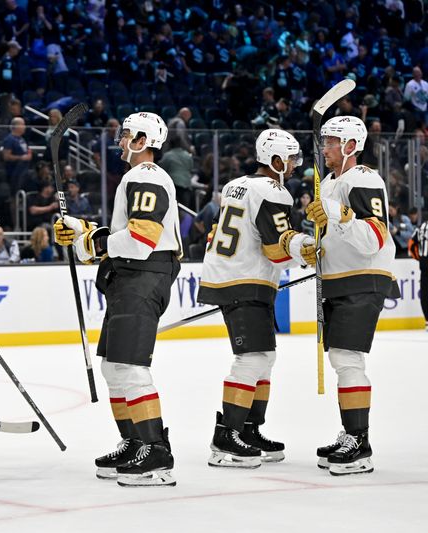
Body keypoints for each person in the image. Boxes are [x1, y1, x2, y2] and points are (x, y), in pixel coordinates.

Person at [54, 112, 182, 487]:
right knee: (114, 366)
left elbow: (141, 240)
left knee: (130, 368)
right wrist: (84, 231)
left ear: (144, 140)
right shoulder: (138, 178)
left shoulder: (145, 175)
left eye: (127, 134)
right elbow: (128, 233)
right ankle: (134, 442)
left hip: (143, 276)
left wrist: (92, 243)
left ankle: (156, 451)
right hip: (131, 276)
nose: (121, 140)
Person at [197, 130, 317, 468]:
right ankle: (226, 437)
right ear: (276, 161)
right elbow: (275, 247)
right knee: (253, 359)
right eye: (291, 160)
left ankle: (248, 429)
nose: (294, 166)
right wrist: (308, 249)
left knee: (264, 359)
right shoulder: (273, 190)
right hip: (243, 279)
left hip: (235, 274)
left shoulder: (237, 185)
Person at [305, 116, 399, 476]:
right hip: (339, 279)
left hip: (363, 278)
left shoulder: (363, 178)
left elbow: (374, 236)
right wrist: (315, 246)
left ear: (349, 146)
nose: (324, 148)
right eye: (324, 140)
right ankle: (351, 434)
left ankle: (359, 443)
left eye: (331, 142)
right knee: (343, 360)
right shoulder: (330, 182)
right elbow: (337, 232)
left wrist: (340, 215)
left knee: (347, 358)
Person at [408, 214, 428, 330]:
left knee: (425, 292)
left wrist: (420, 258)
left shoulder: (420, 227)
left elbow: (411, 245)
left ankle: (427, 320)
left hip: (424, 264)